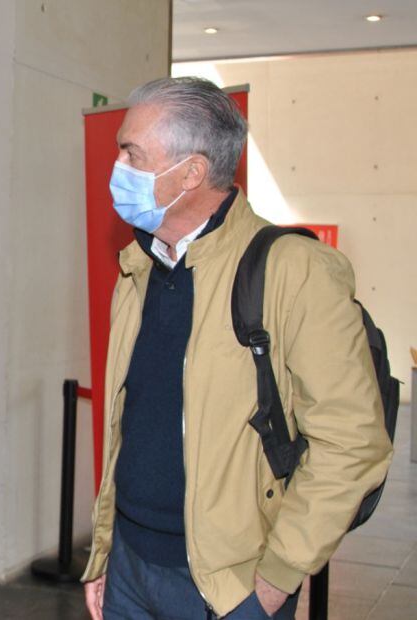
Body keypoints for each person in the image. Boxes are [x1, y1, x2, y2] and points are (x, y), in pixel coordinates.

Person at [81, 77, 392, 619]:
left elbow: (354, 442)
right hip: (130, 566)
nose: (119, 168)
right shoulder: (137, 269)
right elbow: (130, 427)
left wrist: (273, 582)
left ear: (192, 172)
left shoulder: (293, 271)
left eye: (132, 153)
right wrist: (106, 552)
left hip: (228, 586)